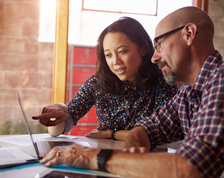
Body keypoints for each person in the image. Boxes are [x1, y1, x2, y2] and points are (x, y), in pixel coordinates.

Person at [39, 6, 224, 178]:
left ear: (189, 34)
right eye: (108, 55)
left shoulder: (220, 80)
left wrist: (95, 157)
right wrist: (130, 158)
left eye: (159, 44)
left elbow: (192, 167)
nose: (154, 57)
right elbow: (148, 129)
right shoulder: (189, 94)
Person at [32, 17, 177, 140]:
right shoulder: (98, 81)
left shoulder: (162, 80)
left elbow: (163, 132)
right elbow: (57, 131)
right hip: (104, 159)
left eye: (122, 51)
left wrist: (111, 134)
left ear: (143, 49)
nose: (115, 61)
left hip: (146, 161)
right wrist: (61, 110)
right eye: (109, 55)